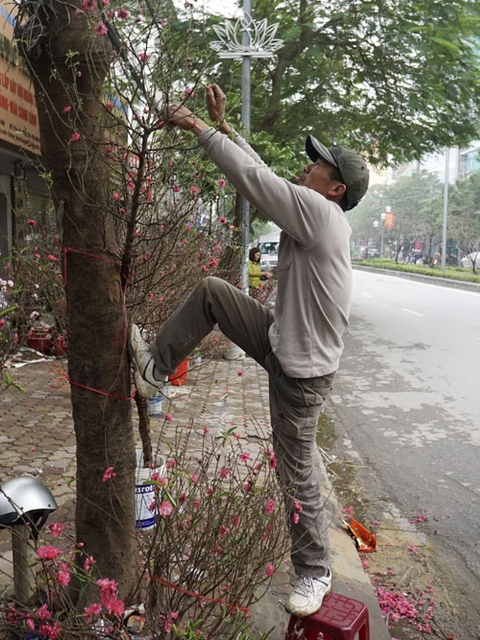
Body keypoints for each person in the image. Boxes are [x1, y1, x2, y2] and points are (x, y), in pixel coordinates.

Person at [130, 84, 369, 616]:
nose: (308, 167)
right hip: (281, 340)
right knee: (214, 293)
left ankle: (315, 571)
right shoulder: (316, 209)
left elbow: (257, 182)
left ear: (336, 188)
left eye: (319, 166)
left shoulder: (320, 214)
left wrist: (199, 127)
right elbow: (267, 176)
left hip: (301, 374)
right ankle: (154, 370)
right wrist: (226, 129)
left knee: (296, 474)